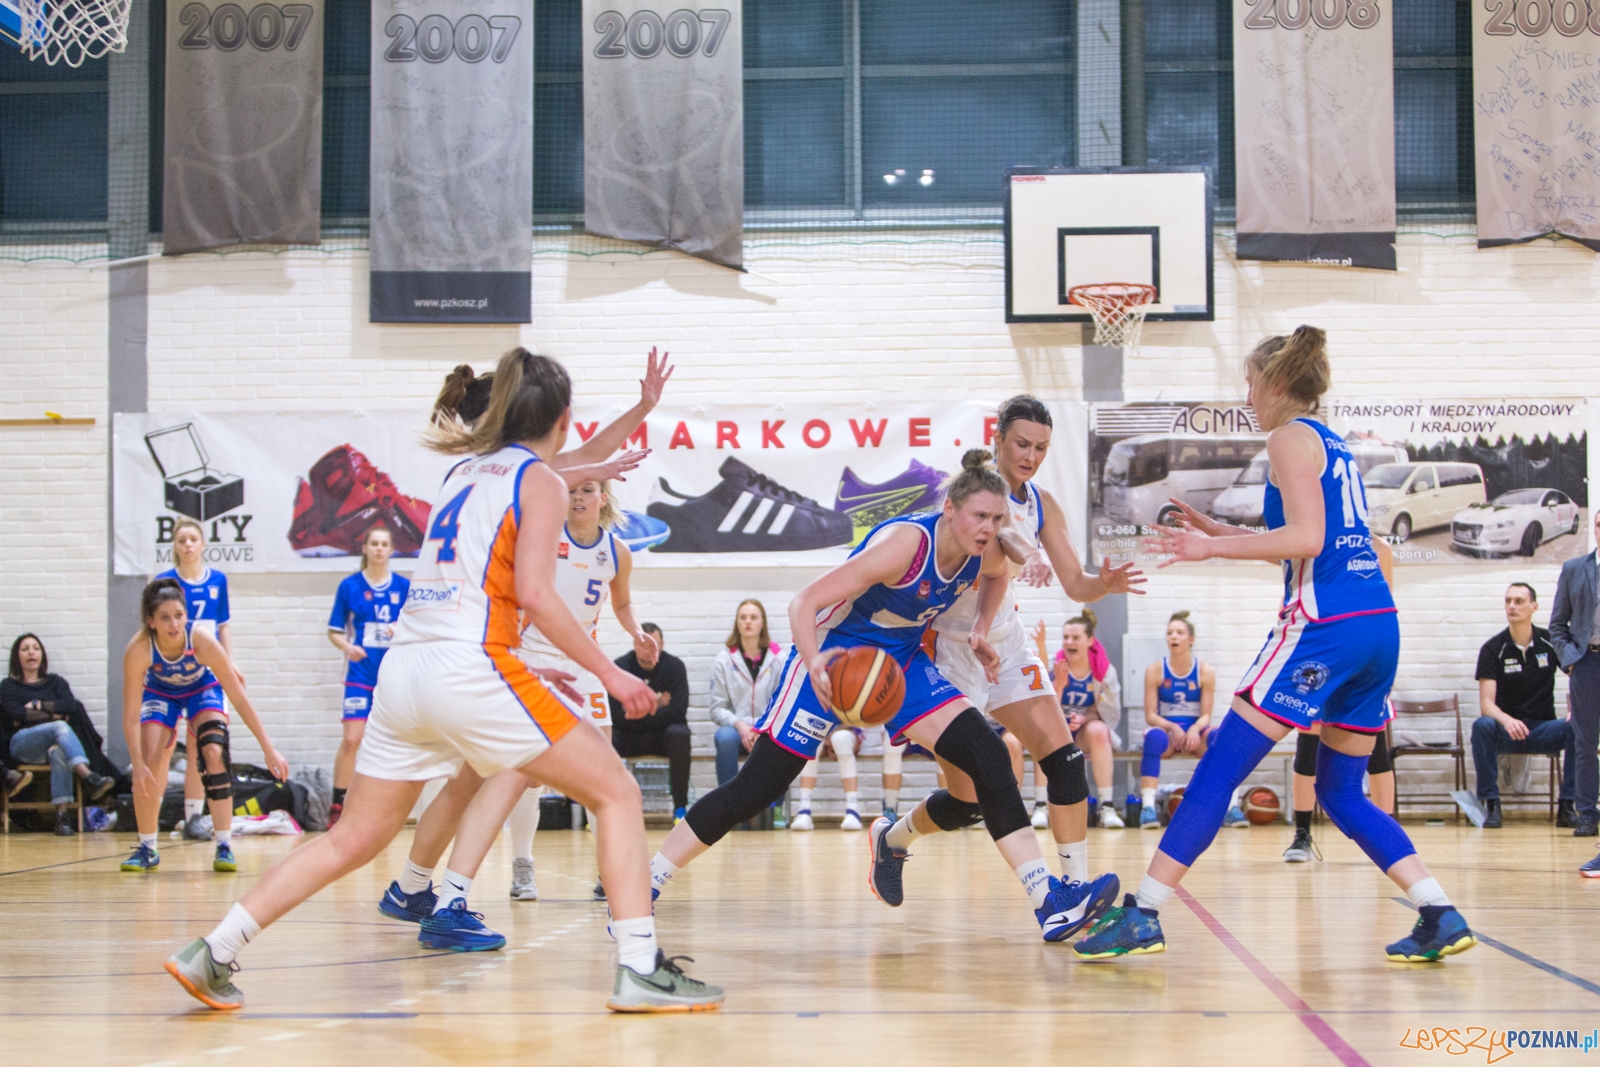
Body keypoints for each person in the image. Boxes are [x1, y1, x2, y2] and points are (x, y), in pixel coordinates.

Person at [164, 347, 722, 1014]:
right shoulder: (540, 480)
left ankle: (214, 948)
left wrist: (620, 432)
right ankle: (638, 966)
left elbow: (562, 470)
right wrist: (612, 672)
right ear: (563, 418)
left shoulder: (466, 470)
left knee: (351, 837)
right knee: (618, 791)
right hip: (470, 664)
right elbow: (538, 594)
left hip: (405, 672)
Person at [1075, 326, 1476, 963]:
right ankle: (1438, 910)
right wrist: (1223, 529)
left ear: (1278, 382)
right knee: (1341, 791)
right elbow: (1315, 541)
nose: (1247, 393)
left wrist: (1208, 547)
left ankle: (1143, 913)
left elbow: (1308, 540)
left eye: (1251, 381)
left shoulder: (1287, 437)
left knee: (1220, 767)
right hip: (1376, 624)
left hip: (1325, 630)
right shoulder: (1330, 443)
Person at [648, 451, 1121, 944]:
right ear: (951, 511)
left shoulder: (986, 550)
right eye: (980, 515)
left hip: (900, 665)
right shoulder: (905, 546)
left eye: (997, 518)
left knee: (988, 755)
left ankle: (1049, 902)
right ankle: (649, 878)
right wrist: (812, 662)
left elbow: (999, 577)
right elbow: (803, 602)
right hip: (835, 659)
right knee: (758, 788)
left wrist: (981, 629)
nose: (988, 527)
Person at [369, 352, 668, 928]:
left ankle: (413, 887)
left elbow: (581, 464)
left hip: (431, 656)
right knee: (576, 782)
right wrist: (611, 671)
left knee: (457, 789)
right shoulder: (522, 476)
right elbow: (574, 475)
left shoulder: (474, 473)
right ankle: (458, 896)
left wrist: (637, 414)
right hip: (483, 653)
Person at [925, 396, 1143, 883]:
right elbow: (995, 547)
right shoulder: (969, 493)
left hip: (1005, 644)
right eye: (1022, 443)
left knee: (1066, 764)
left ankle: (1076, 890)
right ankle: (893, 837)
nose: (1031, 455)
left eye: (1042, 447)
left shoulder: (1043, 503)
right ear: (997, 438)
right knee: (965, 802)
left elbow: (1075, 584)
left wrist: (1102, 585)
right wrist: (1028, 552)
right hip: (950, 651)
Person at [502, 475, 655, 901]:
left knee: (603, 769)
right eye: (571, 490)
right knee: (527, 775)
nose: (578, 497)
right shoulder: (543, 539)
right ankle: (522, 864)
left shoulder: (617, 553)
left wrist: (637, 633)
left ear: (602, 498)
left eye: (587, 490)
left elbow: (622, 604)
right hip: (536, 657)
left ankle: (608, 870)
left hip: (585, 664)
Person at [121, 579, 288, 873]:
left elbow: (237, 696)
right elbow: (132, 715)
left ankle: (224, 844)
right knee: (150, 757)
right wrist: (136, 765)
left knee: (213, 751)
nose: (173, 624)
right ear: (151, 621)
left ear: (187, 616)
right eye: (164, 617)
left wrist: (268, 748)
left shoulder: (201, 640)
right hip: (161, 693)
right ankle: (147, 847)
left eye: (178, 615)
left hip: (202, 689)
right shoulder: (138, 649)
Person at [1284, 538, 1396, 862]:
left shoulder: (1379, 549)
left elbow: (1386, 602)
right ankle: (1302, 834)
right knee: (1308, 749)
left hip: (1365, 647)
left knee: (1375, 750)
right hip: (1322, 645)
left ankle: (1384, 831)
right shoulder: (1314, 541)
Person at [157, 519, 240, 841]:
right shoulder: (164, 582)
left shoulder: (217, 580)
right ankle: (155, 812)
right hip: (169, 672)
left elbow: (223, 627)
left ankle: (194, 817)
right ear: (175, 546)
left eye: (193, 539)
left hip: (205, 672)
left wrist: (229, 665)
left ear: (203, 544)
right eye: (182, 540)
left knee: (199, 746)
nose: (188, 545)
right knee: (162, 746)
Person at [1471, 583, 1575, 829]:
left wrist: (1578, 710)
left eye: (1518, 601)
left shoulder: (1550, 642)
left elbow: (1580, 677)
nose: (1512, 606)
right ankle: (1492, 805)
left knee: (1577, 727)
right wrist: (1507, 720)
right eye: (1508, 601)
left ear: (1534, 606)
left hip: (1543, 729)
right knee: (1482, 725)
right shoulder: (1493, 648)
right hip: (1507, 730)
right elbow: (1486, 704)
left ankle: (1568, 806)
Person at [325, 525, 410, 826]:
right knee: (353, 738)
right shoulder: (349, 586)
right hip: (360, 673)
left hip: (393, 675)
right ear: (365, 548)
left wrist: (399, 630)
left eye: (383, 544)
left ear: (391, 550)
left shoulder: (403, 587)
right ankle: (338, 803)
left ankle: (380, 807)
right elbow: (334, 631)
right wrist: (349, 647)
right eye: (373, 543)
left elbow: (418, 627)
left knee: (392, 742)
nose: (378, 548)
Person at [2, 634, 115, 834]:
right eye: (25, 648)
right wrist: (55, 714)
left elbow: (71, 706)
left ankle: (62, 818)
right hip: (22, 744)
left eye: (35, 648)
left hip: (52, 745)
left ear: (42, 655)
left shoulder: (55, 682)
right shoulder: (9, 686)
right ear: (16, 656)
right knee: (59, 727)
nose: (31, 652)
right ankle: (89, 777)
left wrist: (38, 705)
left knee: (59, 752)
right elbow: (16, 713)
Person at [1139, 611, 1226, 831]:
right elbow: (1150, 715)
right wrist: (1173, 727)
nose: (1173, 637)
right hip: (1169, 734)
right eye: (1169, 633)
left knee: (1219, 737)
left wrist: (1195, 729)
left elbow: (1206, 713)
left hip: (1195, 733)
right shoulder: (1155, 670)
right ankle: (1148, 808)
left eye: (1179, 633)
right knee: (1153, 737)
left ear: (1191, 639)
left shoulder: (1204, 671)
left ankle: (1229, 806)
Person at [1549, 522, 1600, 847]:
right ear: (1595, 529)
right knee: (1584, 744)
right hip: (1587, 662)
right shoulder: (1574, 568)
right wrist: (1570, 660)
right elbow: (1557, 624)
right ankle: (1587, 815)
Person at [609, 623, 691, 821]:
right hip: (629, 737)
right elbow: (613, 715)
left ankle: (680, 808)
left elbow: (678, 712)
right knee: (605, 735)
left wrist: (636, 709)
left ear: (661, 645)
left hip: (662, 738)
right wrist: (655, 705)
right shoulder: (620, 667)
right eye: (642, 645)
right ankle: (607, 809)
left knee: (680, 734)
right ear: (634, 644)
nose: (647, 651)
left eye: (653, 645)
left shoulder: (675, 667)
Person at [1051, 612, 1124, 829]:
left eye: (1075, 637)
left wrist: (1084, 718)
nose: (1069, 642)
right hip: (1056, 728)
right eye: (1065, 637)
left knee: (1100, 731)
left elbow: (1105, 711)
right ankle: (1041, 807)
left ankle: (1107, 806)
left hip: (1081, 732)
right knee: (1045, 734)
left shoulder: (1103, 671)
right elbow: (1042, 708)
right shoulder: (1054, 665)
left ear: (1090, 641)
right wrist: (1060, 685)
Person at [708, 599, 784, 787]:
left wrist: (762, 728)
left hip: (767, 729)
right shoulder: (723, 660)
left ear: (762, 623)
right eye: (743, 618)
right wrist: (740, 725)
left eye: (753, 617)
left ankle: (775, 810)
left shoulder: (779, 658)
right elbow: (717, 708)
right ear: (737, 623)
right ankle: (727, 808)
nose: (748, 622)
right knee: (724, 738)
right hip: (736, 730)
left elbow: (782, 702)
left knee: (782, 740)